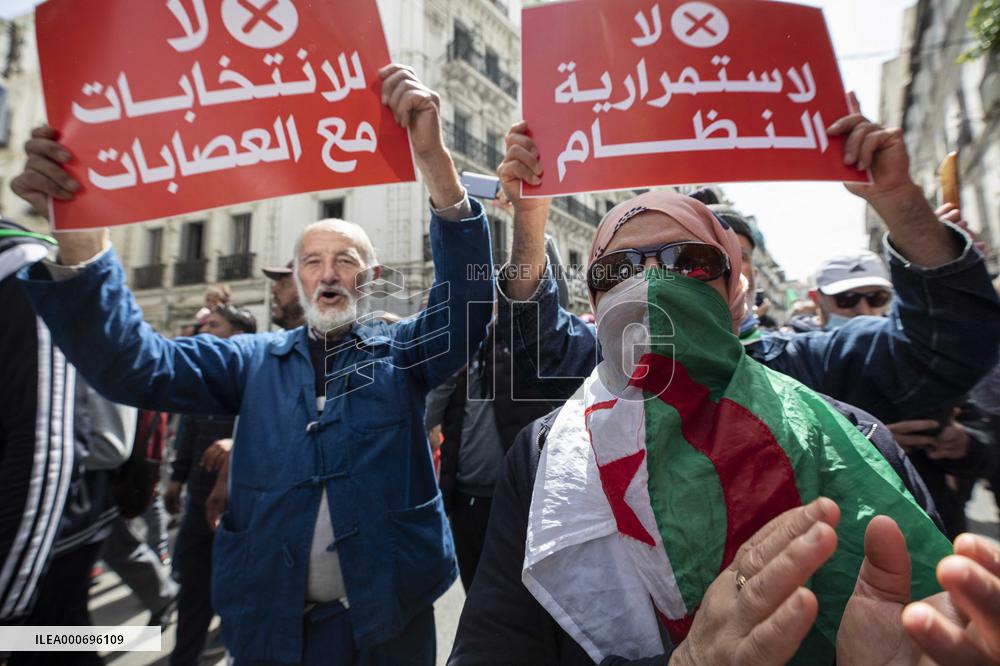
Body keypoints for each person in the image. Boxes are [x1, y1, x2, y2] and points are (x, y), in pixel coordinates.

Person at [11, 64, 494, 665]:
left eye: (345, 260)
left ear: (368, 281)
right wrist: (80, 231)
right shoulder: (252, 362)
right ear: (295, 279)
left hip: (389, 624)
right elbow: (132, 365)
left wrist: (435, 161)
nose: (327, 273)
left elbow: (470, 305)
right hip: (272, 629)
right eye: (312, 261)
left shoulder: (403, 355)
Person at [164, 305, 256, 666]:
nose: (204, 331)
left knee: (238, 593)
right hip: (198, 504)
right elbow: (189, 431)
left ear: (238, 337)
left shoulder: (260, 375)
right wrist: (176, 479)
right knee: (193, 591)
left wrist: (237, 445)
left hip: (241, 508)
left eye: (213, 326)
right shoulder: (201, 378)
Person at [808, 250, 893, 330]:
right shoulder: (797, 343)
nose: (864, 311)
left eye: (876, 297)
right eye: (847, 298)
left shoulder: (900, 339)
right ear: (816, 298)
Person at [263, 260, 306, 330]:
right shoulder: (281, 339)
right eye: (277, 282)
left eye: (284, 284)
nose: (274, 290)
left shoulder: (325, 339)